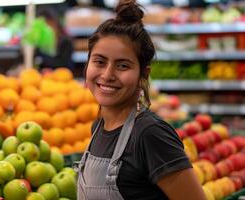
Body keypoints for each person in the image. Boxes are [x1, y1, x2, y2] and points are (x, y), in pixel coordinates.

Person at [75, 0, 207, 199]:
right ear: (87, 65)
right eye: (100, 62)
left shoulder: (150, 135)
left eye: (122, 66)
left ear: (143, 75)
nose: (108, 74)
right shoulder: (98, 128)